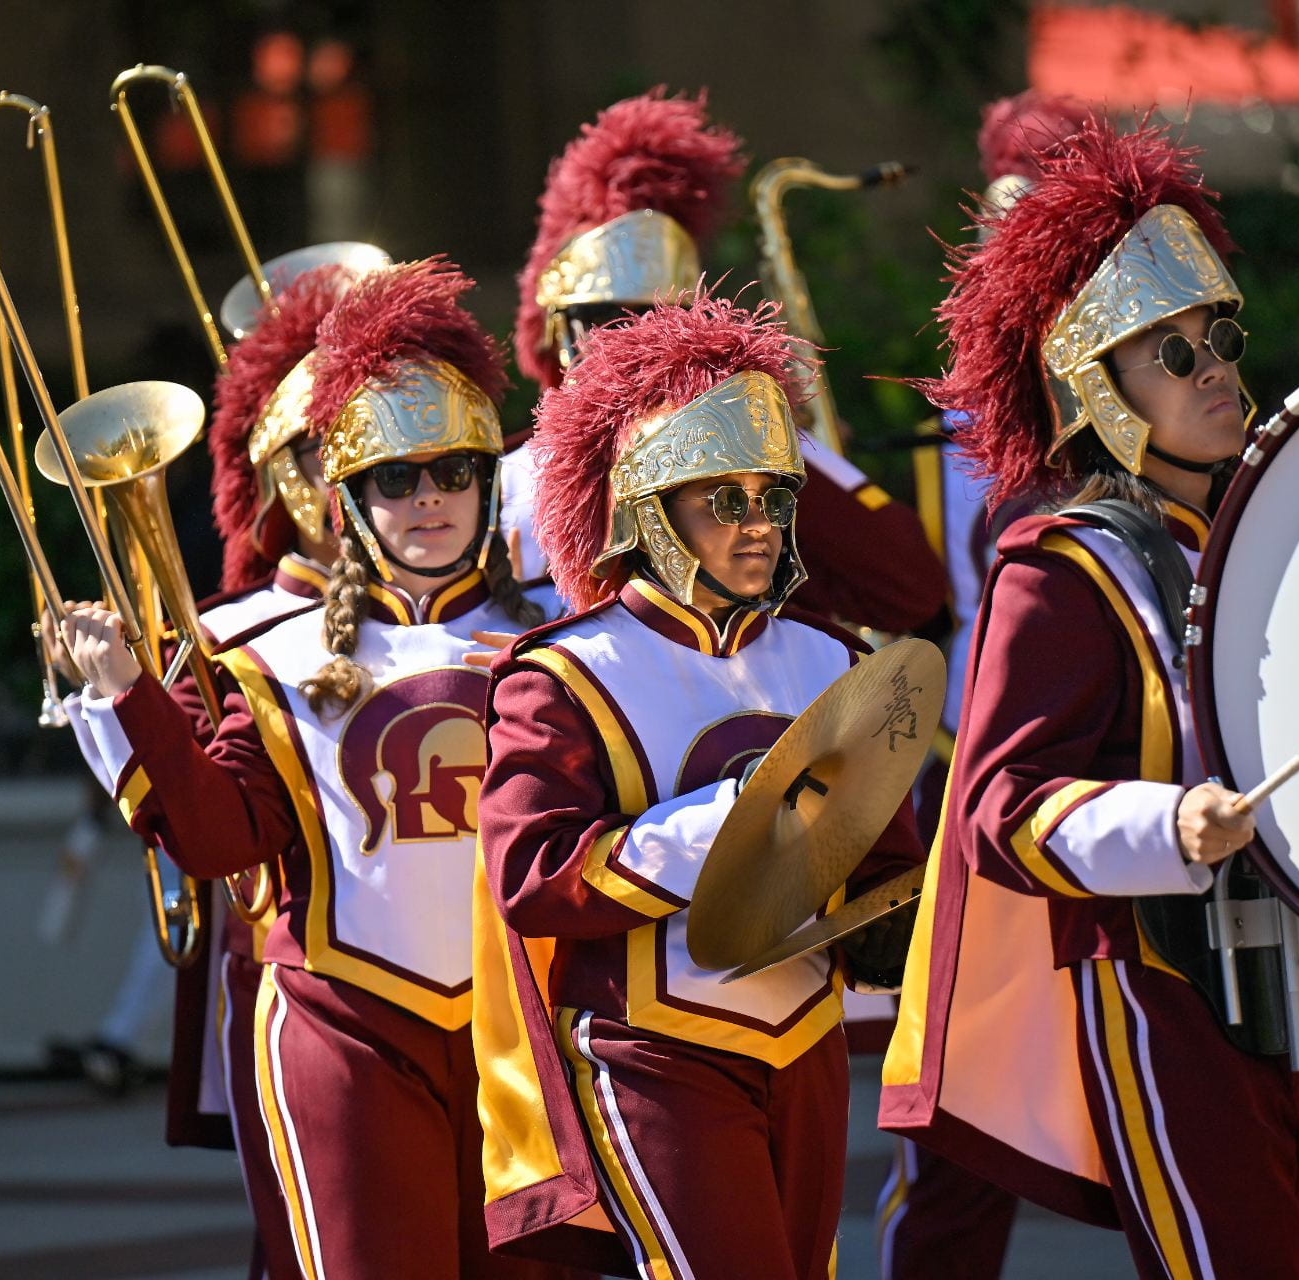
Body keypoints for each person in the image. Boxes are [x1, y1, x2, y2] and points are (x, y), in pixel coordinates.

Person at [880, 115, 1299, 1280]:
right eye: (1171, 353)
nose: (1217, 366)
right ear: (1097, 389)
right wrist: (1167, 823)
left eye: (1219, 336)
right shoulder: (1062, 564)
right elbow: (997, 804)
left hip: (1286, 963)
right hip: (1153, 977)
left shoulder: (1266, 529)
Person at [61, 258, 564, 1280]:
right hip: (350, 1030)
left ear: (487, 479)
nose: (428, 498)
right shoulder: (276, 655)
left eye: (453, 472)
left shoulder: (573, 646)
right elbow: (216, 837)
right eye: (394, 478)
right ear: (347, 500)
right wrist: (126, 690)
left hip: (533, 1035)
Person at [472, 291, 923, 1280]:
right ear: (649, 506)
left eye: (773, 496)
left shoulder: (829, 656)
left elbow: (884, 860)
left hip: (805, 1041)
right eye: (725, 498)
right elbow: (531, 873)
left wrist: (906, 907)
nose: (758, 524)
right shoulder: (566, 671)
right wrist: (725, 821)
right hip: (652, 1051)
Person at [883, 88, 1097, 1280]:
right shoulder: (945, 432)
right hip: (976, 795)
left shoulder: (1175, 415)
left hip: (1147, 789)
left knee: (1198, 1112)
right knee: (958, 1124)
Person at [515, 86, 948, 638]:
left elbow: (911, 590)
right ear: (557, 334)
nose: (627, 342)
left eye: (652, 319)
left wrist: (776, 455)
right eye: (602, 320)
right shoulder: (495, 476)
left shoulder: (746, 444)